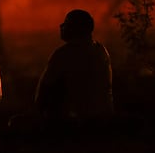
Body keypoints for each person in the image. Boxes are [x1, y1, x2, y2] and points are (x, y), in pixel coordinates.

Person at [7, 9, 113, 143]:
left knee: (15, 123)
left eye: (66, 24)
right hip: (103, 117)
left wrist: (37, 115)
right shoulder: (101, 50)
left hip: (77, 122)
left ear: (75, 29)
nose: (61, 27)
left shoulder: (64, 54)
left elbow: (44, 92)